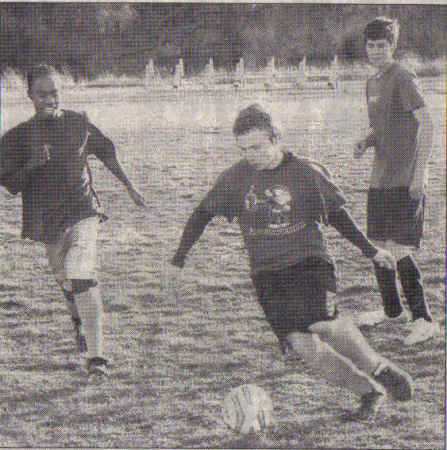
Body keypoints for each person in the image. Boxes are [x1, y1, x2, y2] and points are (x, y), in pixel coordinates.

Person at [164, 104, 413, 421]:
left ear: (275, 138)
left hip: (309, 261)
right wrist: (178, 259)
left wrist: (371, 251)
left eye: (256, 146)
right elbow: (201, 214)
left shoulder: (305, 171)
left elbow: (337, 215)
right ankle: (369, 392)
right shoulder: (236, 178)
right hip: (266, 273)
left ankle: (378, 367)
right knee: (305, 348)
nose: (251, 155)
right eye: (243, 149)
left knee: (323, 323)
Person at [0, 64, 146, 376]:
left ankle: (97, 358)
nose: (50, 99)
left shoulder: (79, 123)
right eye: (42, 94)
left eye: (55, 92)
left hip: (84, 210)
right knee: (65, 278)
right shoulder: (19, 137)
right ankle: (78, 317)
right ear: (29, 95)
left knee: (81, 271)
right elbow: (9, 183)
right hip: (47, 219)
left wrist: (130, 185)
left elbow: (106, 152)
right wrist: (32, 165)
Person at [354, 17, 440, 345]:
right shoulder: (371, 82)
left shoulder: (403, 76)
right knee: (379, 248)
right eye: (371, 45)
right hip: (380, 178)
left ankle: (424, 319)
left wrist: (420, 173)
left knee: (400, 249)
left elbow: (428, 123)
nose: (376, 50)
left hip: (405, 178)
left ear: (393, 46)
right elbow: (383, 126)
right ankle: (392, 311)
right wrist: (367, 141)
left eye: (382, 45)